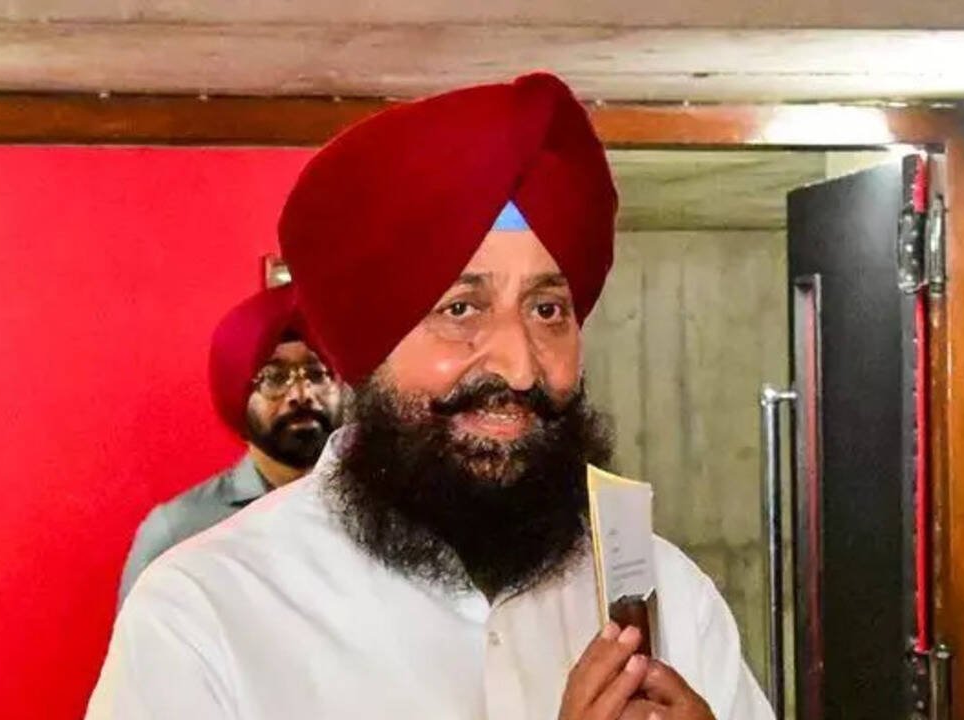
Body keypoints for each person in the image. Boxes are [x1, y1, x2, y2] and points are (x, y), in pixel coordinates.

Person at [89, 73, 772, 720]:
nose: (520, 367)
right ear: (369, 345)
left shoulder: (668, 596)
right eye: (460, 309)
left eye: (547, 311)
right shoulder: (206, 612)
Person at [116, 284, 343, 605]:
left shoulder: (375, 510)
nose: (301, 394)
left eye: (316, 373)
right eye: (274, 378)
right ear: (236, 395)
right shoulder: (180, 529)